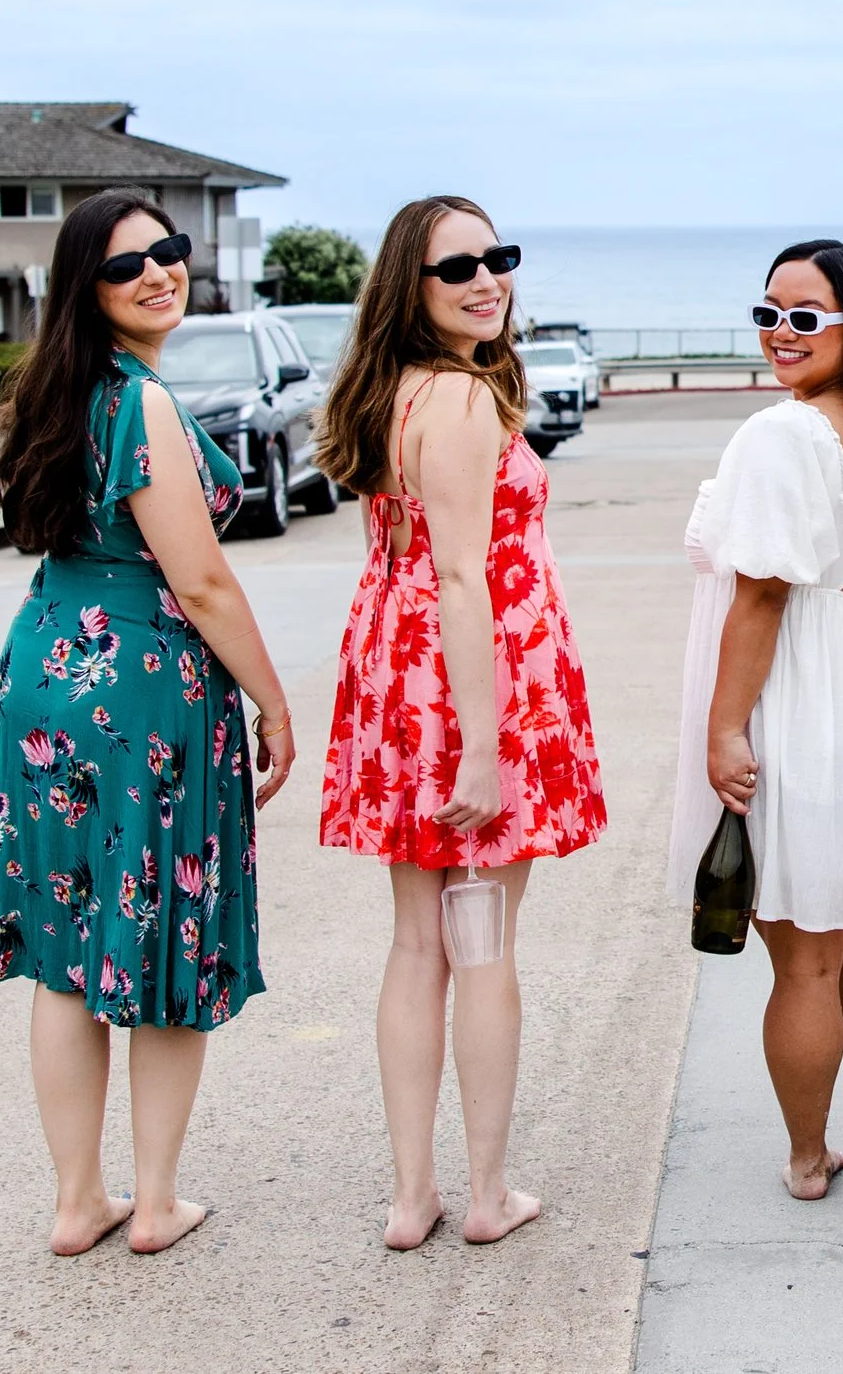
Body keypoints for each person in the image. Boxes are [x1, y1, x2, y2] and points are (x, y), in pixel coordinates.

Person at [0, 186, 294, 1256]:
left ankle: (77, 1198)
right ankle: (158, 1198)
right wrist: (273, 699)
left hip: (44, 675)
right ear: (85, 288)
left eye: (171, 251)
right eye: (128, 263)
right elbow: (203, 582)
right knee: (165, 938)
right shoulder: (140, 403)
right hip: (139, 692)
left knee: (65, 952)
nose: (160, 271)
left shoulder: (58, 394)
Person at [317, 195, 607, 1248]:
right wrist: (481, 745)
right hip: (474, 682)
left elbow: (388, 555)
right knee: (479, 942)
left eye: (499, 258)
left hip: (401, 672)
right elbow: (458, 571)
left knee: (412, 942)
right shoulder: (464, 400)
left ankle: (410, 1195)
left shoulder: (383, 395)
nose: (488, 279)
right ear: (413, 286)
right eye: (459, 268)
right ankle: (483, 1192)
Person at [668, 241, 843, 1201]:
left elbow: (761, 600)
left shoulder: (781, 436)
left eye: (805, 316)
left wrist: (723, 728)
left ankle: (804, 1153)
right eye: (768, 312)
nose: (780, 333)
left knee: (801, 952)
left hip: (799, 695)